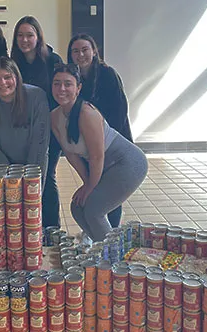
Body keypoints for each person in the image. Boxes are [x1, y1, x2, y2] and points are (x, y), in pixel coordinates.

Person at [51, 63, 148, 242]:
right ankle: (100, 250)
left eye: (68, 84)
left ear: (78, 88)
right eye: (56, 83)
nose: (61, 89)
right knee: (78, 207)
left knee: (94, 210)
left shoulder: (87, 113)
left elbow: (97, 156)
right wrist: (86, 183)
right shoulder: (54, 117)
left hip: (128, 163)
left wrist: (90, 187)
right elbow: (71, 154)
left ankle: (112, 261)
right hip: (106, 166)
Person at [68, 33, 133, 228]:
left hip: (112, 141)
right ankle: (96, 233)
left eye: (85, 50)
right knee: (95, 188)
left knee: (111, 192)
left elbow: (120, 111)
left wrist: (102, 139)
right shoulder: (73, 78)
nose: (81, 55)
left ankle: (111, 233)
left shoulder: (107, 74)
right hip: (89, 146)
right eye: (75, 51)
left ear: (94, 51)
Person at [11, 16, 63, 228]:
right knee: (26, 177)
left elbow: (62, 93)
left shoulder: (53, 61)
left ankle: (52, 228)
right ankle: (30, 227)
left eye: (29, 35)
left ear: (38, 37)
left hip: (50, 128)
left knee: (46, 175)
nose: (25, 40)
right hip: (22, 130)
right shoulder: (13, 63)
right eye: (20, 35)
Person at [0, 57, 50, 178]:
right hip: (0, 166)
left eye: (7, 77)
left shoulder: (36, 96)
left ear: (17, 77)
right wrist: (9, 177)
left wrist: (31, 176)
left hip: (34, 163)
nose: (2, 83)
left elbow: (40, 142)